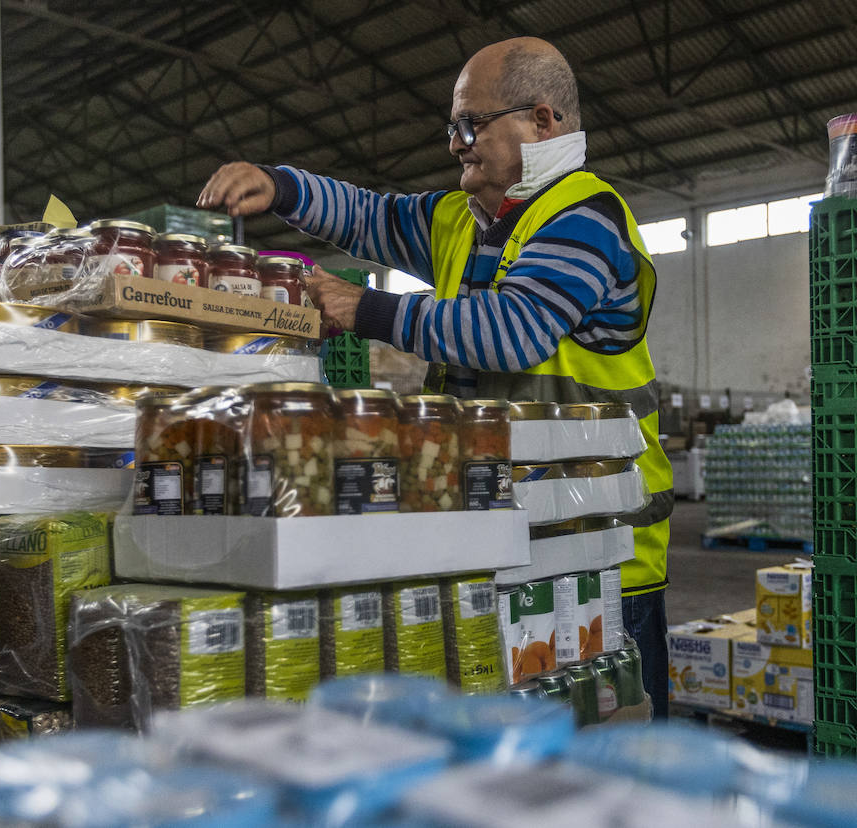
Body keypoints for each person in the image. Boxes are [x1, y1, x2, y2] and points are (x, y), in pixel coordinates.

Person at [197, 37, 674, 715]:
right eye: (454, 127)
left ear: (543, 121)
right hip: (499, 538)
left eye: (471, 124)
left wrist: (363, 307)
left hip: (596, 553)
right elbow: (368, 216)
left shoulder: (584, 217)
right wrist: (282, 187)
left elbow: (513, 331)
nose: (458, 143)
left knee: (612, 758)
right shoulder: (462, 217)